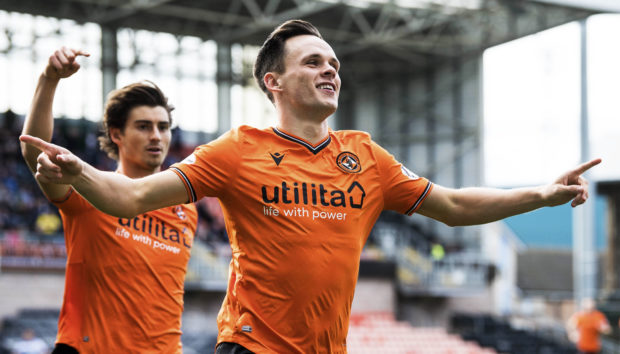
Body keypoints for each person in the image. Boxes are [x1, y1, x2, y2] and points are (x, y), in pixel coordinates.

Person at [21, 20, 600, 353]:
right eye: (313, 62)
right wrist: (80, 173)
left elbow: (450, 205)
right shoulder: (237, 149)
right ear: (273, 81)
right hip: (248, 347)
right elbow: (130, 196)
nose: (330, 70)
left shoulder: (365, 156)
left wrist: (538, 195)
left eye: (334, 63)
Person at [19, 47, 197, 353]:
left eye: (163, 127)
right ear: (116, 134)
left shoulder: (186, 208)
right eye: (144, 126)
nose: (157, 136)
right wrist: (49, 79)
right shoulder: (88, 189)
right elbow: (36, 153)